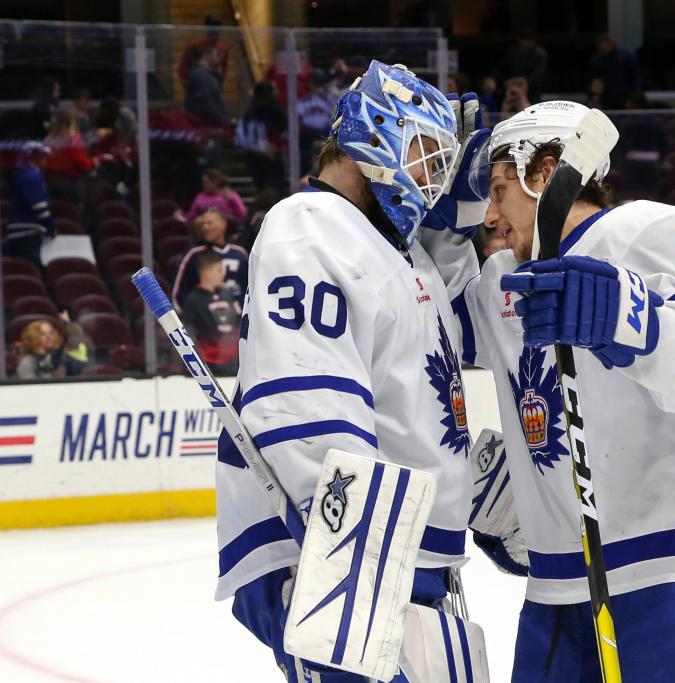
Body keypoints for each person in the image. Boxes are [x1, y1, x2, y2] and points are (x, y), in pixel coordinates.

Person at [425, 101, 675, 682]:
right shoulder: (503, 279)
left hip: (673, 570)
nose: (491, 215)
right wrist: (440, 223)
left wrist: (623, 318)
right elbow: (428, 320)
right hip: (555, 593)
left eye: (500, 190)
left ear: (545, 172)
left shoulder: (646, 229)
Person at [214, 60, 472, 682]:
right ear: (373, 136)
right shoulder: (311, 227)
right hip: (339, 556)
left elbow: (426, 400)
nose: (434, 180)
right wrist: (352, 576)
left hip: (400, 558)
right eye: (425, 154)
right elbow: (308, 407)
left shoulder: (395, 251)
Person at [171, 207, 248, 309]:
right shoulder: (194, 255)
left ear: (223, 224)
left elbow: (252, 290)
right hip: (203, 321)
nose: (205, 227)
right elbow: (179, 295)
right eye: (203, 224)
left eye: (209, 223)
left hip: (238, 320)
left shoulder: (240, 254)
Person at [181, 251, 241, 374]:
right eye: (219, 270)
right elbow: (190, 331)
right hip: (209, 364)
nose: (223, 274)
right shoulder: (194, 300)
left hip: (233, 362)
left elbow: (236, 324)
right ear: (207, 273)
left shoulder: (226, 295)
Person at [4, 142, 54, 273]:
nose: (45, 159)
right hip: (26, 233)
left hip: (21, 232)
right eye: (42, 156)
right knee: (30, 271)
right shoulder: (32, 176)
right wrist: (50, 227)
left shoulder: (23, 173)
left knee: (24, 270)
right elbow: (39, 207)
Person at [43, 109, 96, 210]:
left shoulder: (47, 139)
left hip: (50, 184)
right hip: (70, 185)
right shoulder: (73, 140)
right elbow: (82, 164)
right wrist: (94, 162)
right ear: (71, 123)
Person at [15, 315, 90, 379]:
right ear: (32, 338)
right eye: (42, 334)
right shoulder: (27, 362)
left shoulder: (61, 357)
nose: (49, 337)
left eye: (51, 333)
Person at [589, 33, 641, 110]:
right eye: (599, 46)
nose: (601, 48)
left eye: (602, 45)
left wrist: (633, 97)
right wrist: (595, 96)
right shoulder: (597, 60)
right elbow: (597, 79)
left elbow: (635, 77)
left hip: (626, 97)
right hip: (607, 99)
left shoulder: (625, 57)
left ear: (609, 43)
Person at [496, 30, 548, 102]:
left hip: (532, 93)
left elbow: (538, 75)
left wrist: (521, 82)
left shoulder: (540, 54)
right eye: (521, 43)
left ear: (532, 41)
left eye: (525, 42)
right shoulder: (514, 51)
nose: (522, 45)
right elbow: (502, 68)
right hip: (513, 90)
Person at [181, 168, 247, 224]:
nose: (203, 185)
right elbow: (190, 218)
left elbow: (242, 216)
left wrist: (232, 200)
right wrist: (181, 216)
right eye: (203, 182)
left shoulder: (230, 194)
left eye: (205, 182)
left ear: (215, 182)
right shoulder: (200, 197)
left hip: (229, 229)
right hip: (205, 230)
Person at [185, 45, 228, 125]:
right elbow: (206, 102)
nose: (220, 58)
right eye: (217, 55)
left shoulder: (206, 75)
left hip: (210, 123)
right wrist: (221, 120)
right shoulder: (200, 74)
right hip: (206, 124)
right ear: (207, 55)